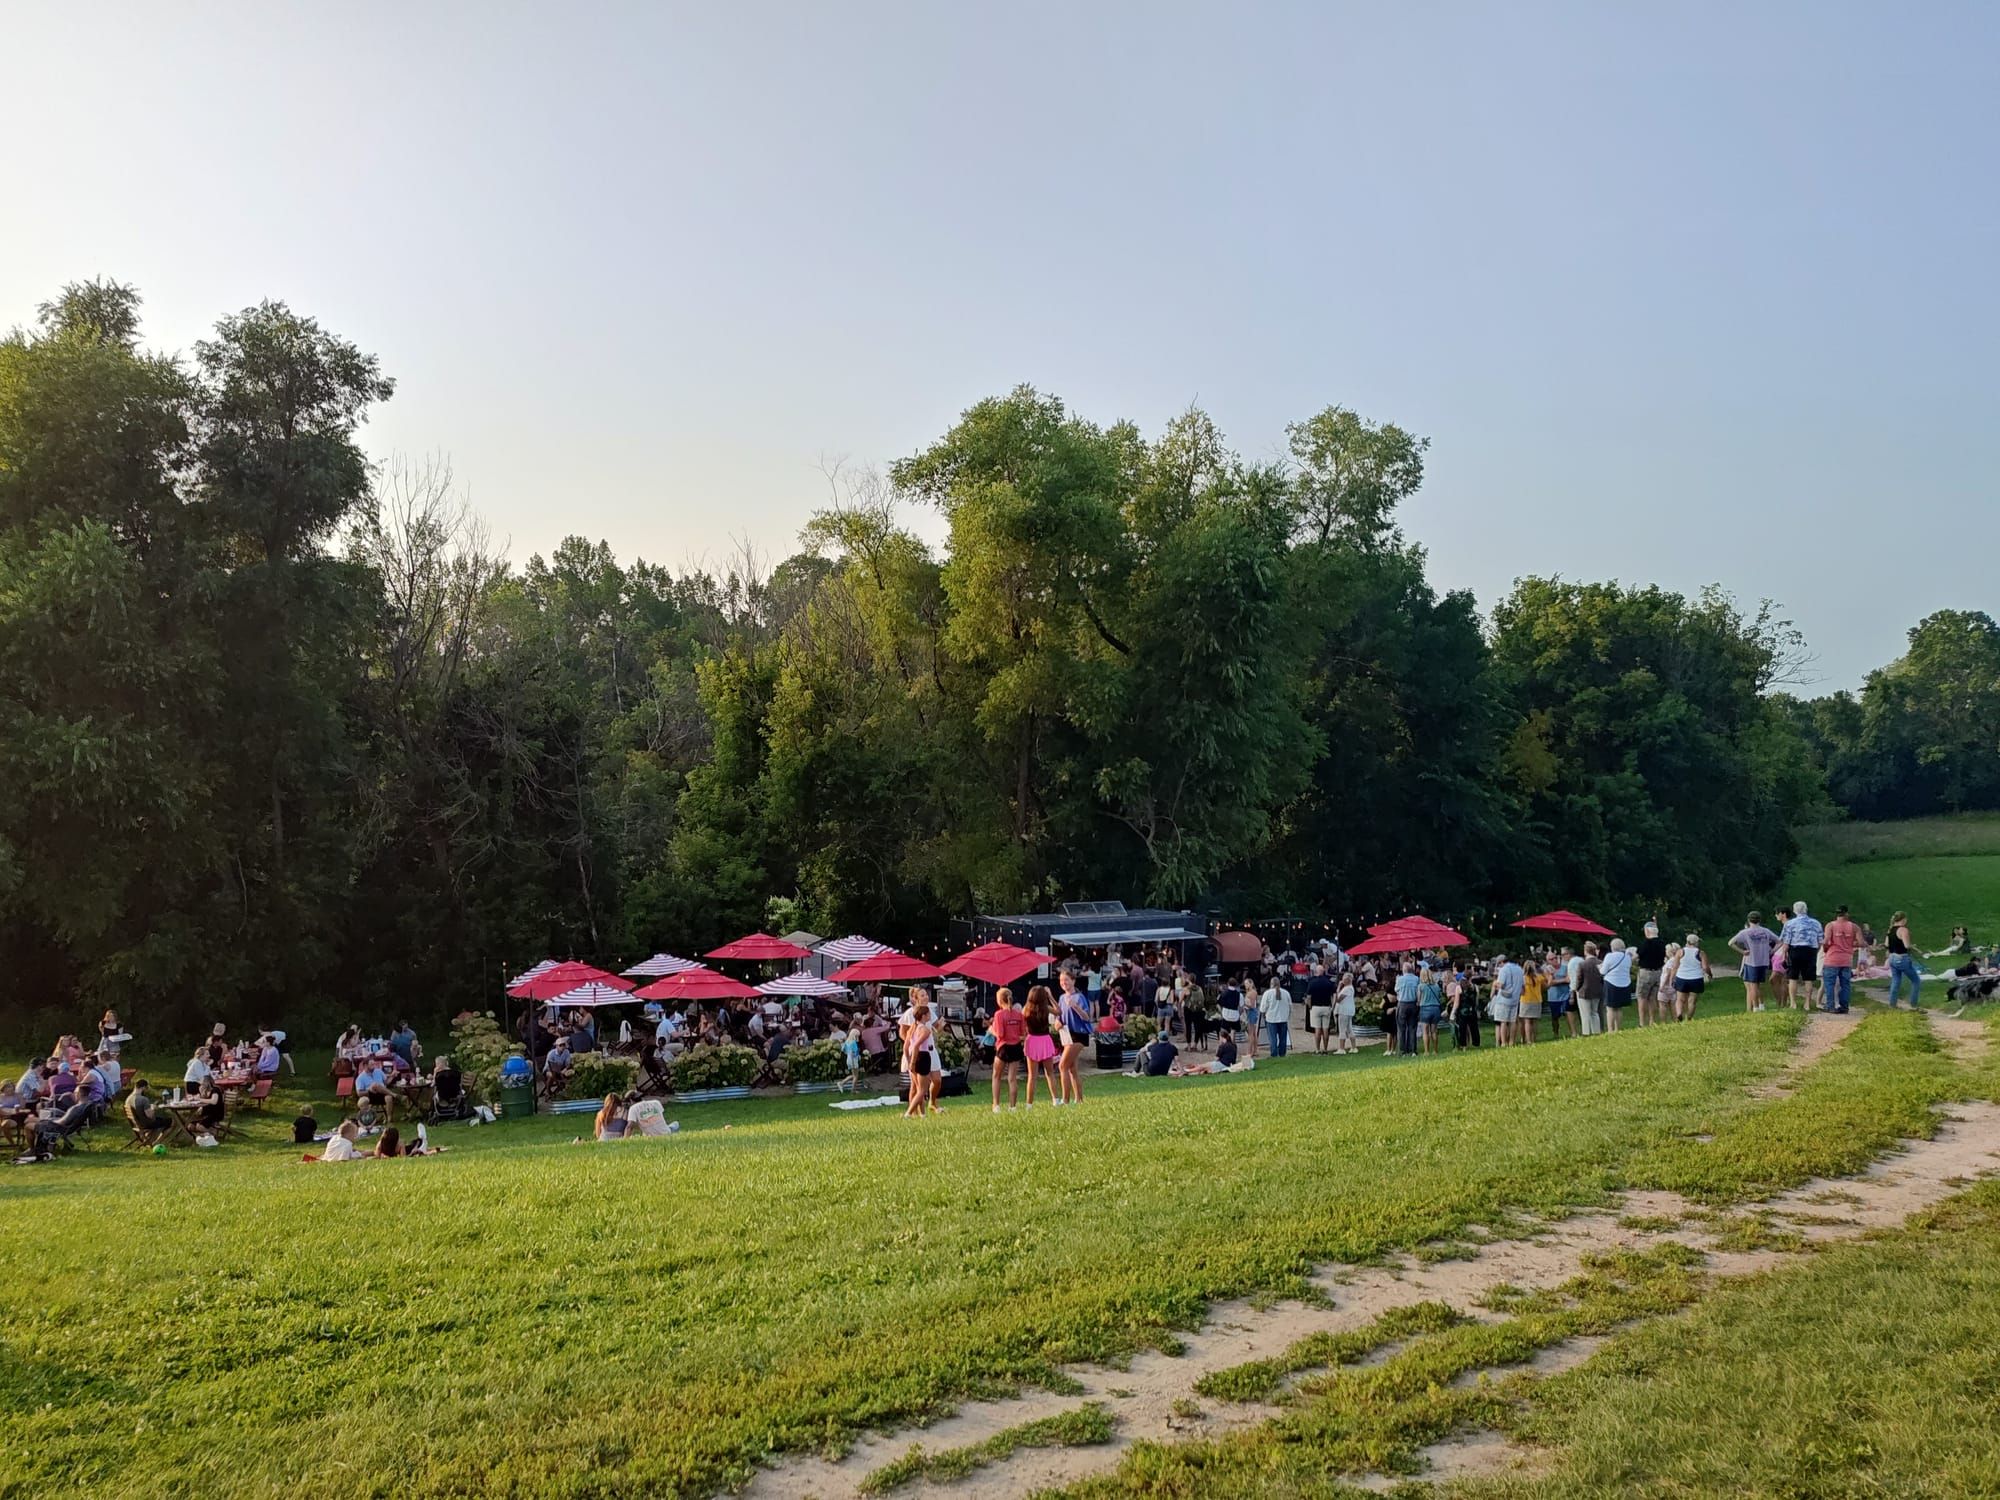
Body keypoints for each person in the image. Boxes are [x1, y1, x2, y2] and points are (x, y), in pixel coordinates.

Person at [1729, 911, 1780, 1012]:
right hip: (1763, 961)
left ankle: (1755, 1007)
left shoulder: (1745, 932)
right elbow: (1780, 941)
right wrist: (1772, 951)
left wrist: (1742, 951)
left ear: (1749, 920)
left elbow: (1731, 943)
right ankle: (1761, 1005)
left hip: (1751, 961)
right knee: (1760, 984)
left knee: (1752, 985)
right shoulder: (1766, 931)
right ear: (1759, 920)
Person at [1779, 901, 1824, 1010]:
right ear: (1806, 909)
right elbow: (1820, 940)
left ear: (1794, 911)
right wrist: (1816, 950)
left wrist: (1783, 954)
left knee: (1793, 977)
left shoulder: (1789, 924)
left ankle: (1793, 1003)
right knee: (1808, 978)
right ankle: (1807, 1003)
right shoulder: (1816, 923)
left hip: (1795, 950)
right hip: (1810, 951)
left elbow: (1786, 941)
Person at [1022, 986, 1061, 1107]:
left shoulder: (1026, 1010)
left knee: (1032, 1076)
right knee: (1049, 1073)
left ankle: (1029, 1104)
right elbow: (1059, 1011)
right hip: (1044, 1040)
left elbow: (1023, 1027)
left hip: (1032, 1040)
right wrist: (1050, 997)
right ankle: (1055, 1100)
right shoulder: (1046, 1008)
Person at [1057, 973, 1092, 1104]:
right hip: (1067, 1034)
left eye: (1066, 980)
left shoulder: (1079, 997)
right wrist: (1057, 1023)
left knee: (1062, 1066)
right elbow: (1060, 1017)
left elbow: (1086, 1017)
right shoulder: (1061, 998)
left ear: (1073, 981)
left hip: (1079, 1034)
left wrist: (1075, 1006)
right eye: (1061, 980)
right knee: (1072, 1069)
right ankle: (1079, 1099)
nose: (1063, 982)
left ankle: (1065, 1100)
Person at [1820, 905, 1862, 1015]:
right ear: (1847, 913)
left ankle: (1830, 1006)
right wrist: (1851, 944)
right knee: (1845, 984)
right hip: (1846, 960)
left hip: (1832, 959)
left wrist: (1826, 949)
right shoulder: (1854, 927)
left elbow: (1825, 942)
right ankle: (1844, 1007)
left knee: (1829, 984)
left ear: (1836, 914)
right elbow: (1861, 943)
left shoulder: (1830, 925)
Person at [989, 987, 1026, 1112]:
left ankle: (996, 1105)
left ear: (999, 1001)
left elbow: (1000, 1034)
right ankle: (1013, 1106)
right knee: (1012, 1078)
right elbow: (1023, 1033)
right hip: (1016, 1047)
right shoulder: (1019, 1015)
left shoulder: (999, 1015)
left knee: (996, 1076)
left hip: (1003, 1047)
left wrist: (991, 1030)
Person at [901, 1003, 938, 1119]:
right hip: (922, 1056)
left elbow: (906, 1047)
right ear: (924, 1016)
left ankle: (922, 1114)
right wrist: (912, 1062)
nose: (930, 1016)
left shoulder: (912, 1029)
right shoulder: (925, 1030)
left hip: (913, 1056)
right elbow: (917, 1045)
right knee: (922, 1090)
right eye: (928, 1014)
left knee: (917, 1087)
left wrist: (909, 1060)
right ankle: (909, 1112)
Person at [1885, 911, 1923, 1009]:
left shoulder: (1890, 929)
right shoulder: (1903, 930)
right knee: (1916, 981)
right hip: (1902, 958)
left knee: (1896, 981)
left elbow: (1886, 944)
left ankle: (1892, 1004)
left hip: (1892, 957)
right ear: (1904, 919)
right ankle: (1913, 1005)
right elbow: (1906, 945)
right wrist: (1915, 948)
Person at [1673, 932, 1713, 1012]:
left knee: (1680, 999)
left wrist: (1672, 977)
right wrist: (1710, 974)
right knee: (1692, 1001)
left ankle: (1679, 1014)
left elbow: (1675, 967)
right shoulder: (1700, 953)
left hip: (1682, 977)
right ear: (1696, 942)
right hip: (1696, 978)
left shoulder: (1680, 952)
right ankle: (1689, 1019)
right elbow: (1705, 967)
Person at [1600, 939, 1634, 1031]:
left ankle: (1610, 1030)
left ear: (1612, 947)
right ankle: (1617, 1029)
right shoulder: (1627, 957)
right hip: (1625, 983)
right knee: (1619, 1008)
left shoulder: (1609, 956)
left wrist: (1599, 967)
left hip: (1611, 983)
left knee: (1610, 1008)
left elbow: (1603, 971)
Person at [1490, 955, 1524, 1046]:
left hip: (1504, 999)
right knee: (1513, 1021)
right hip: (1515, 999)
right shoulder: (1519, 969)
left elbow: (1500, 984)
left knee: (1503, 1021)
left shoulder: (1504, 970)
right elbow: (1523, 987)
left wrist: (1494, 984)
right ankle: (1512, 1041)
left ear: (1501, 962)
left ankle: (1504, 1042)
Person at [1260, 973, 1293, 1058]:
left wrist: (1264, 1014)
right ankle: (1282, 1053)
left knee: (1273, 1038)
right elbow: (1290, 1006)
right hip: (1283, 1018)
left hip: (1271, 1019)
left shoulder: (1267, 993)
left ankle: (1274, 1054)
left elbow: (1263, 1007)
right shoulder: (1286, 993)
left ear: (1271, 984)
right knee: (1283, 1038)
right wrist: (1288, 1015)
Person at [1306, 965, 1336, 1054]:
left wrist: (1310, 1006)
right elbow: (1335, 994)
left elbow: (1308, 997)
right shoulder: (1329, 982)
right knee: (1326, 1029)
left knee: (1317, 1029)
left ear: (1316, 972)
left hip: (1315, 1007)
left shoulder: (1312, 982)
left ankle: (1317, 1049)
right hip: (1326, 1007)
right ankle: (1325, 1049)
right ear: (1323, 972)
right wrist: (1333, 1006)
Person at [1394, 962, 1422, 1056]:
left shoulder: (1400, 979)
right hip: (1413, 1004)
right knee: (1412, 1027)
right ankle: (1413, 1050)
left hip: (1402, 1003)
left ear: (1404, 970)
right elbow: (1418, 991)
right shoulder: (1416, 979)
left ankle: (1402, 1051)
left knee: (1401, 1028)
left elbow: (1396, 990)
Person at [1574, 945, 1602, 1035]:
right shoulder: (1600, 962)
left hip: (1584, 991)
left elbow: (1579, 978)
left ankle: (1586, 1032)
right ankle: (1596, 1031)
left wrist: (1576, 988)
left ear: (1586, 951)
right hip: (1597, 990)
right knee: (1595, 1012)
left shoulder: (1582, 964)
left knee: (1585, 1014)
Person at [1417, 966, 1444, 1055]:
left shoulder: (1421, 986)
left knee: (1425, 1031)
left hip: (1425, 1009)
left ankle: (1426, 1051)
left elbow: (1418, 999)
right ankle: (1435, 1050)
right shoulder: (1436, 986)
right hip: (1435, 1009)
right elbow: (1440, 997)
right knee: (1434, 1031)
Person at [1518, 960, 1545, 1045]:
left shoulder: (1523, 978)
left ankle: (1527, 1039)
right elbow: (1544, 987)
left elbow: (1521, 991)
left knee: (1527, 1022)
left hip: (1525, 1000)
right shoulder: (1539, 977)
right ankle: (1533, 1039)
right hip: (1537, 1000)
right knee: (1534, 1021)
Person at [1335, 972, 1359, 1054]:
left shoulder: (1347, 989)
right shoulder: (1349, 988)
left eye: (1343, 979)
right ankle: (1353, 1047)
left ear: (1347, 980)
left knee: (1342, 1029)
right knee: (1349, 1028)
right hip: (1348, 1010)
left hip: (1344, 1011)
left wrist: (1338, 988)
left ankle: (1341, 1048)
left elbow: (1338, 999)